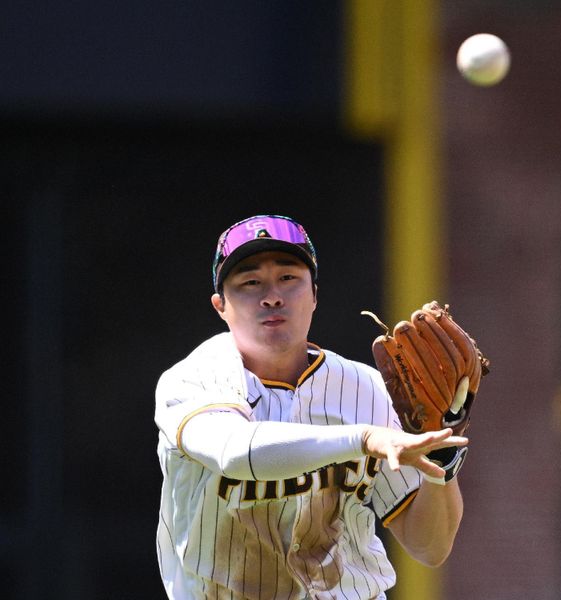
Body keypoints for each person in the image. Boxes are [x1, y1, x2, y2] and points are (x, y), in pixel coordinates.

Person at [155, 214, 468, 600]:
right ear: (221, 306)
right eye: (250, 283)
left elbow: (430, 547)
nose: (272, 296)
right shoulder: (193, 380)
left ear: (315, 294)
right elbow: (237, 453)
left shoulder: (365, 388)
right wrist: (365, 438)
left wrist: (441, 466)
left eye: (288, 278)